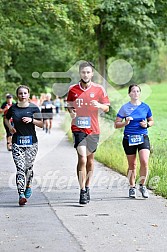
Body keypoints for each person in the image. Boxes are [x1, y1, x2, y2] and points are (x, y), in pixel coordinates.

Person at [67, 61, 110, 204]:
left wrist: (100, 105)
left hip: (93, 129)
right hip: (78, 128)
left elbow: (107, 108)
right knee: (83, 159)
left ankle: (87, 186)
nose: (85, 74)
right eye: (83, 72)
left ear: (92, 74)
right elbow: (69, 105)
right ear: (80, 73)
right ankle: (82, 191)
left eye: (88, 72)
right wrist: (72, 112)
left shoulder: (99, 89)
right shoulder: (73, 89)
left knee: (90, 161)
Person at [5, 85, 43, 206]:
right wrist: (10, 127)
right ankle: (21, 194)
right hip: (17, 143)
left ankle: (28, 185)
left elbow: (42, 124)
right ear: (17, 95)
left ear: (28, 95)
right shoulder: (13, 108)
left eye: (25, 93)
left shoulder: (34, 108)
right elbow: (5, 118)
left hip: (32, 144)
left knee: (28, 168)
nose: (23, 95)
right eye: (20, 93)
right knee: (20, 168)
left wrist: (32, 120)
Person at [114, 84, 154, 199]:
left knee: (144, 162)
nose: (135, 93)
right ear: (129, 94)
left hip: (143, 137)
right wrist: (125, 123)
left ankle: (142, 185)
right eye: (133, 91)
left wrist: (147, 124)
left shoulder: (145, 107)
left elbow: (151, 121)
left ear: (140, 93)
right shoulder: (125, 108)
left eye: (137, 91)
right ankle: (132, 187)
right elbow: (116, 124)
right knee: (132, 165)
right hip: (129, 138)